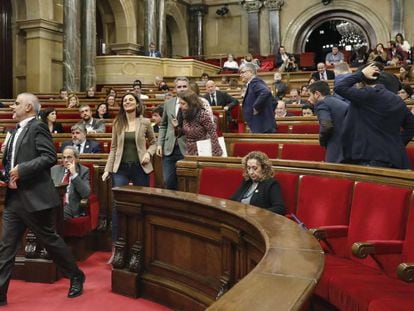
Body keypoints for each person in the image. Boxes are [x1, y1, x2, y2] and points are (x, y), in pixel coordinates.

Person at [0, 93, 85, 305]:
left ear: (29, 107)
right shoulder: (13, 131)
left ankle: (75, 275)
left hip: (35, 198)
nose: (13, 106)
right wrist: (6, 171)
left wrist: (22, 169)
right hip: (14, 198)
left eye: (17, 103)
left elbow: (49, 157)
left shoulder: (38, 127)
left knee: (51, 242)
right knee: (6, 246)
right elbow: (12, 164)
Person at [334, 62, 414, 169]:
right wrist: (397, 144)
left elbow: (339, 87)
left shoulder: (365, 95)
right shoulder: (397, 99)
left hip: (369, 159)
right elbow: (411, 125)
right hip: (395, 158)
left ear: (361, 82)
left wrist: (360, 74)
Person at [101, 92, 156, 246]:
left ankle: (142, 242)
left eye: (131, 100)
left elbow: (153, 143)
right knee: (117, 205)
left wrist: (148, 154)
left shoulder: (145, 122)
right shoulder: (117, 122)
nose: (127, 102)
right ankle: (117, 245)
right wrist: (107, 169)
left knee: (142, 205)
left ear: (137, 104)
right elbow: (113, 148)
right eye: (125, 100)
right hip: (121, 168)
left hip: (140, 167)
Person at [156, 76, 189, 190]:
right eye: (179, 87)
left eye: (184, 86)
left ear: (188, 88)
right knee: (168, 181)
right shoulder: (168, 103)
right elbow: (163, 125)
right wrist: (159, 144)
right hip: (169, 148)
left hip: (187, 147)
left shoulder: (195, 103)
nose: (182, 89)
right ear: (175, 89)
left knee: (186, 183)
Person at [230, 151, 285, 215]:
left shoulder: (271, 184)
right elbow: (233, 200)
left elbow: (280, 208)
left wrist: (258, 213)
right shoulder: (247, 181)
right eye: (248, 168)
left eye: (254, 168)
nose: (251, 172)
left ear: (264, 168)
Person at [308, 80, 349, 163]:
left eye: (309, 95)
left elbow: (327, 125)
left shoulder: (321, 104)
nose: (308, 99)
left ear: (317, 94)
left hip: (336, 150)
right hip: (349, 148)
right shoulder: (340, 102)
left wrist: (322, 140)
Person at [175, 90, 222, 156]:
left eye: (183, 103)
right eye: (179, 103)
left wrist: (215, 152)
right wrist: (176, 126)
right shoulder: (183, 113)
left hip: (202, 149)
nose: (180, 106)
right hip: (189, 150)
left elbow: (213, 133)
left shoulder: (202, 114)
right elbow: (182, 133)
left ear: (191, 103)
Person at [51, 146, 90, 220]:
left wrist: (74, 174)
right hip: (53, 204)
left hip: (69, 206)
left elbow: (86, 193)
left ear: (76, 159)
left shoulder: (84, 171)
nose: (65, 160)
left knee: (56, 214)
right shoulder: (54, 169)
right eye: (64, 157)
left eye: (69, 157)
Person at [239, 63, 276, 133]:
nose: (240, 75)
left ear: (250, 72)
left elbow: (265, 92)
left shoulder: (255, 82)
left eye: (242, 72)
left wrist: (256, 107)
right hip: (260, 124)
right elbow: (274, 101)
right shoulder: (253, 83)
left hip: (261, 126)